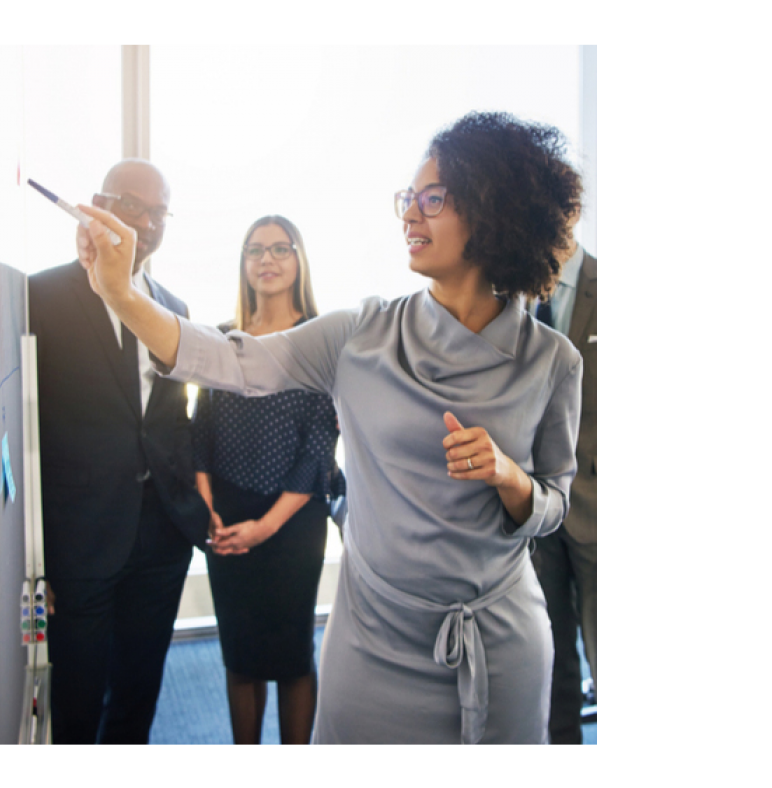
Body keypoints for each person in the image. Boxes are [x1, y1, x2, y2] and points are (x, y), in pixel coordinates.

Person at [77, 112, 584, 745]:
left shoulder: (554, 361)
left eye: (432, 199)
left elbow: (554, 504)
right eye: (408, 198)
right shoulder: (360, 334)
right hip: (377, 638)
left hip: (499, 642)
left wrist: (510, 477)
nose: (409, 215)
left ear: (493, 211)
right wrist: (123, 296)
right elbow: (229, 359)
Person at [29, 159, 210, 745]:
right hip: (80, 537)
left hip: (161, 532)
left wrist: (192, 499)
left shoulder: (174, 308)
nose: (147, 222)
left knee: (138, 691)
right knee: (77, 698)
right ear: (97, 204)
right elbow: (27, 431)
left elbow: (170, 419)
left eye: (159, 212)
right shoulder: (42, 295)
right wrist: (37, 555)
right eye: (133, 205)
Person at [194, 215, 344, 745]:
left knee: (291, 656)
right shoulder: (223, 337)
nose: (267, 259)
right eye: (255, 250)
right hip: (226, 517)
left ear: (299, 260)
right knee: (240, 654)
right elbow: (202, 431)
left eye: (281, 248)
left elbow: (318, 452)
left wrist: (265, 527)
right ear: (244, 264)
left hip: (294, 520)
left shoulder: (321, 339)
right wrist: (207, 510)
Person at [531, 212, 598, 745]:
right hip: (533, 511)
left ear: (571, 212)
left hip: (595, 508)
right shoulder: (509, 294)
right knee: (550, 660)